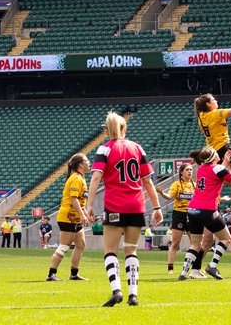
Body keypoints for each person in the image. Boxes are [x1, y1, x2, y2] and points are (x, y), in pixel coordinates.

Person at [85, 111, 163, 306]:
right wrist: (157, 206)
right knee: (131, 250)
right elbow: (147, 181)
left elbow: (95, 178)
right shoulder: (137, 148)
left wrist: (89, 205)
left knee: (110, 249)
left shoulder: (104, 149)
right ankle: (133, 295)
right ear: (123, 128)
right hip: (136, 205)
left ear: (107, 130)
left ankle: (116, 290)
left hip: (115, 206)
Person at [177, 146, 231, 281]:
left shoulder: (202, 168)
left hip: (192, 209)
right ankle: (212, 266)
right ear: (214, 156)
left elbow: (217, 171)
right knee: (226, 238)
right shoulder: (217, 169)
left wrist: (225, 160)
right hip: (207, 209)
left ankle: (186, 272)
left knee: (195, 244)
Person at [47, 153, 90, 281]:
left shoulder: (80, 178)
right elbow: (73, 199)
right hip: (68, 217)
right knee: (64, 246)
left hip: (75, 217)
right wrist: (82, 215)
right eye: (87, 161)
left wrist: (86, 215)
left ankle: (74, 274)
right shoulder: (76, 178)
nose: (89, 162)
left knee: (80, 244)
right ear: (80, 165)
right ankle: (51, 274)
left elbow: (80, 201)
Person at [158, 163, 195, 274]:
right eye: (187, 169)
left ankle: (195, 267)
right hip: (179, 214)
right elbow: (169, 197)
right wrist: (161, 193)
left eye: (191, 169)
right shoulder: (176, 184)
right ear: (181, 172)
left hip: (192, 214)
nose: (190, 171)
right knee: (175, 242)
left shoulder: (195, 185)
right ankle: (170, 268)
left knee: (195, 243)